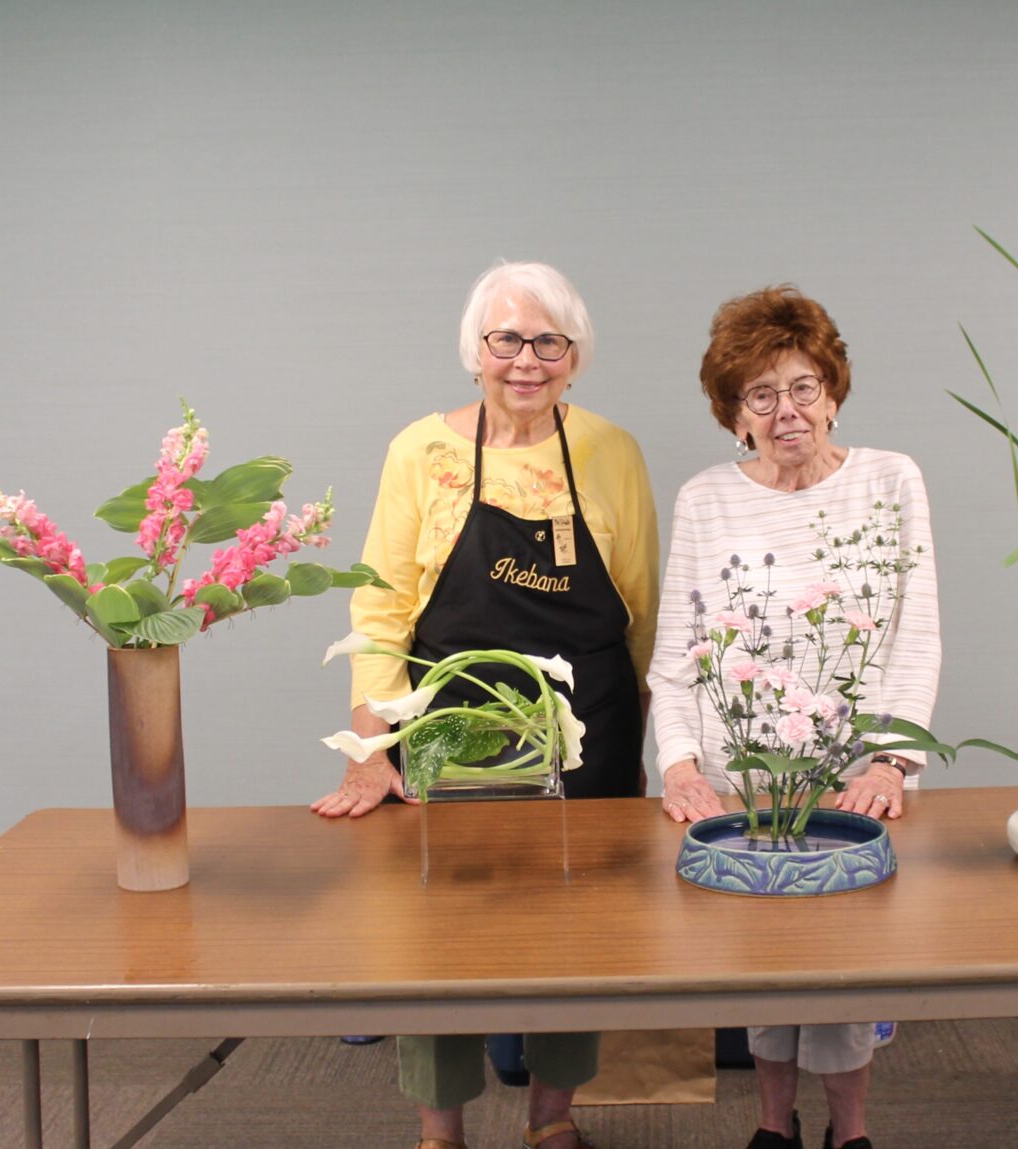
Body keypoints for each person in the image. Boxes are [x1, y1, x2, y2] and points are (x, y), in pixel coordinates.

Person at [313, 261, 659, 1149]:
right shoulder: (420, 452)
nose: (527, 360)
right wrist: (371, 750)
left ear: (576, 357)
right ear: (475, 351)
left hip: (587, 729)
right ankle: (441, 1129)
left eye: (550, 342)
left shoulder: (611, 451)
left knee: (573, 930)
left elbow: (645, 607)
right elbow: (381, 607)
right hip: (449, 722)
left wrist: (655, 743)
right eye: (506, 339)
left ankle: (553, 1119)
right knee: (436, 931)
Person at [648, 286, 940, 1149]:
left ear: (835, 391)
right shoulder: (705, 497)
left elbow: (913, 636)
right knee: (760, 968)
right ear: (734, 413)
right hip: (740, 778)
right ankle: (774, 1128)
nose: (786, 412)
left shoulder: (892, 480)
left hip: (856, 776)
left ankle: (850, 1132)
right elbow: (677, 654)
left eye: (804, 386)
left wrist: (890, 763)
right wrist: (680, 765)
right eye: (761, 395)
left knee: (848, 971)